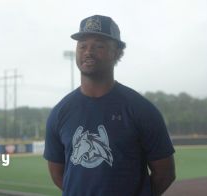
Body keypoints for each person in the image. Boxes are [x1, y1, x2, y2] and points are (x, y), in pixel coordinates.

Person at [43, 15, 176, 196]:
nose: (88, 51)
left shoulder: (141, 109)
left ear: (117, 52)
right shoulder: (60, 112)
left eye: (99, 45)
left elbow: (165, 174)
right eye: (82, 46)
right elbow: (58, 173)